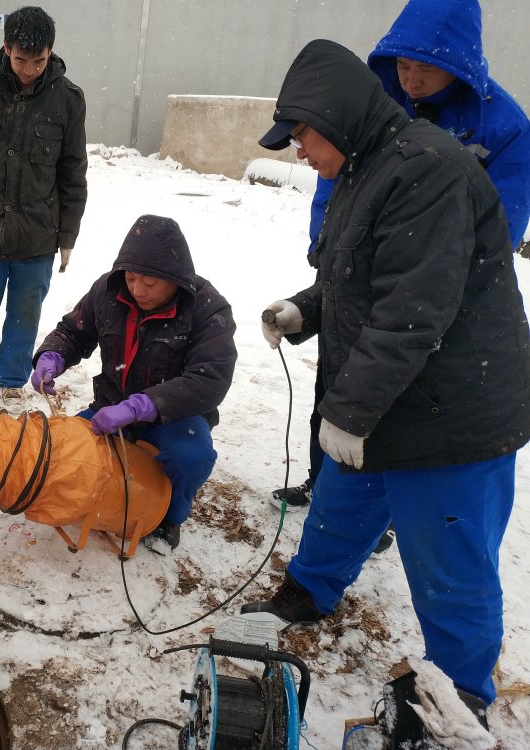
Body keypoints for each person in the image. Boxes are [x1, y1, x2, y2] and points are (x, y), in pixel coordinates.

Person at [243, 40, 530, 710]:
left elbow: (411, 312)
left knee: (449, 566)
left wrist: (348, 412)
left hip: (451, 413)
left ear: (337, 119)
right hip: (387, 395)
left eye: (302, 135)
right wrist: (304, 309)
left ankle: (456, 695)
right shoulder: (365, 170)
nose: (298, 151)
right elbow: (361, 277)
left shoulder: (429, 170)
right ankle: (309, 590)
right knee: (342, 506)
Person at [274, 0, 530, 515]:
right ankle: (327, 495)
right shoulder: (377, 118)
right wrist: (325, 276)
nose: (411, 80)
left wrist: (451, 265)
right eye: (403, 67)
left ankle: (382, 502)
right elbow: (339, 191)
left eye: (426, 68)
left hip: (448, 339)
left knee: (381, 415)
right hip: (375, 295)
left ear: (461, 64)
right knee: (344, 401)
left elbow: (444, 275)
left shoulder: (491, 130)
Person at [30, 215, 237, 551]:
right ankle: (83, 499)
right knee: (60, 448)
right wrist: (51, 356)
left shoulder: (207, 308)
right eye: (131, 278)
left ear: (175, 280)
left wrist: (144, 405)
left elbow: (210, 379)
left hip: (174, 416)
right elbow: (74, 331)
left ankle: (168, 518)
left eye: (150, 283)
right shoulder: (109, 290)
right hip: (110, 407)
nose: (138, 290)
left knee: (192, 457)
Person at [0, 6, 88, 411]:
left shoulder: (68, 100)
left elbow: (72, 172)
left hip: (38, 233)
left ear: (51, 53)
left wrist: (67, 235)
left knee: (26, 314)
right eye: (21, 59)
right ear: (6, 48)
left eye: (39, 60)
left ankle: (11, 381)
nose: (30, 69)